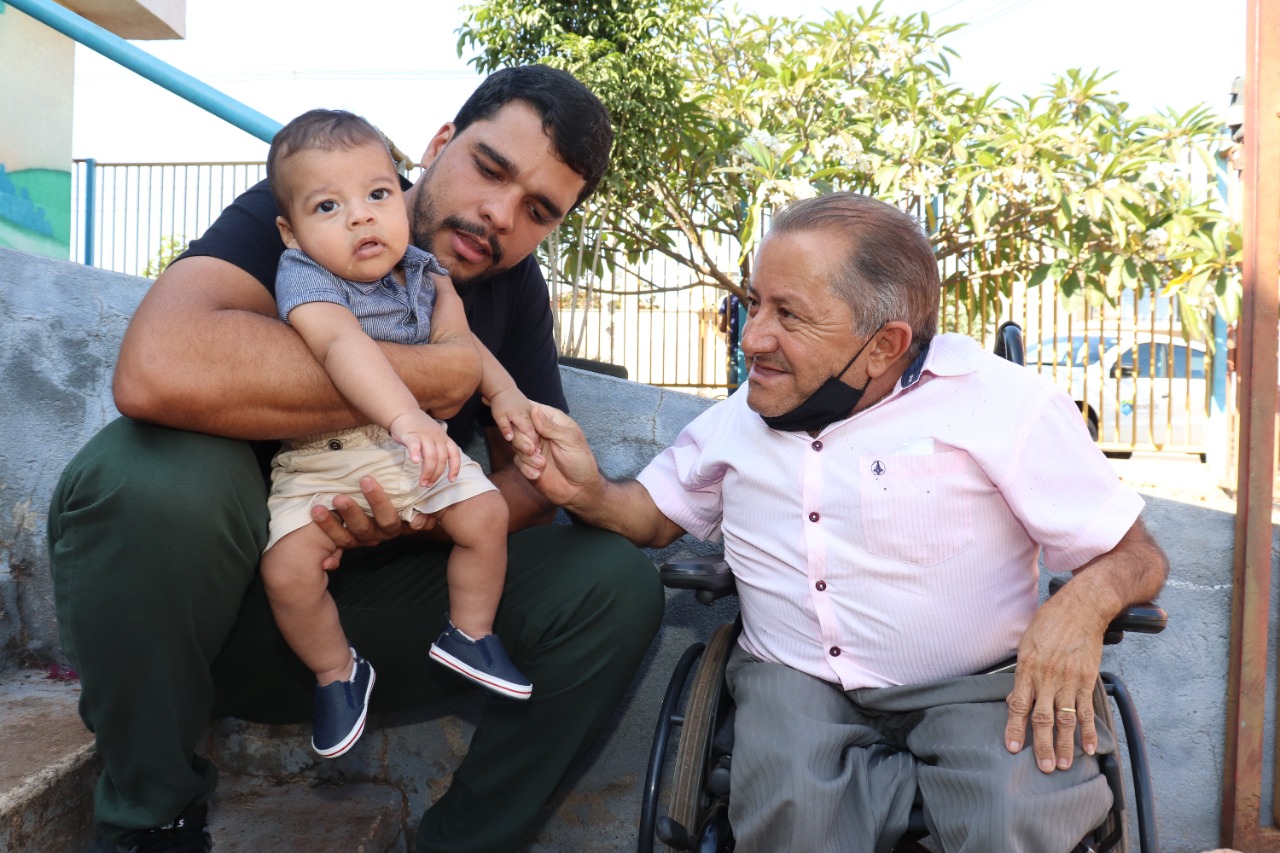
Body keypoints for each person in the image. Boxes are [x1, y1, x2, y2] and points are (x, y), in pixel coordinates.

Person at [48, 65, 663, 853]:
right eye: (490, 168)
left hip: (362, 624)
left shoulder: (511, 289)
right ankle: (151, 815)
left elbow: (533, 480)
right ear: (440, 143)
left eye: (539, 211)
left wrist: (424, 518)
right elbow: (156, 367)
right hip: (206, 607)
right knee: (154, 476)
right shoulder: (315, 208)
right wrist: (439, 374)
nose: (500, 214)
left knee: (612, 584)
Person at [512, 192, 1170, 852]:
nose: (753, 337)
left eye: (788, 314)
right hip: (795, 685)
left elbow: (1137, 556)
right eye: (755, 303)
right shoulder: (744, 412)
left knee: (1014, 824)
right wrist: (586, 490)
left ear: (884, 345)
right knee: (793, 817)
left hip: (978, 689)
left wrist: (1083, 606)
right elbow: (654, 515)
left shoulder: (1004, 405)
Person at [261, 109, 538, 760]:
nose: (361, 217)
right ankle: (337, 672)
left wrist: (505, 393)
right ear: (291, 232)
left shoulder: (425, 271)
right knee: (286, 572)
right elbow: (341, 345)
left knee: (486, 513)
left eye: (378, 194)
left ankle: (470, 632)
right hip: (323, 463)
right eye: (328, 206)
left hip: (410, 455)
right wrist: (408, 415)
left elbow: (463, 343)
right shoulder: (305, 276)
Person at [717, 292, 747, 391]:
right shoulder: (753, 299)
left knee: (732, 387)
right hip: (750, 347)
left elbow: (722, 326)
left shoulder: (729, 300)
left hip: (733, 346)